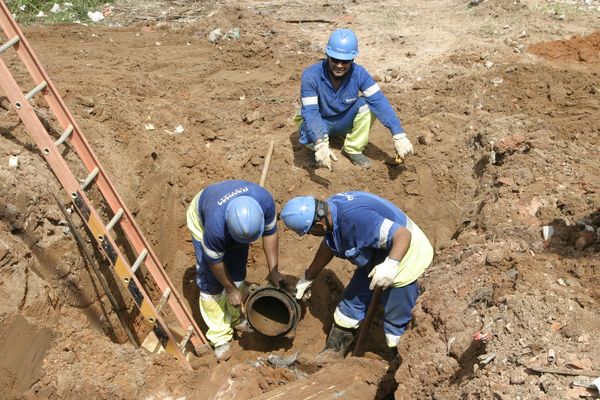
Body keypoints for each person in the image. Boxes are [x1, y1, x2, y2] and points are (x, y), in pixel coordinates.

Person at [280, 192, 433, 358]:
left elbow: (402, 235)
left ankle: (399, 364)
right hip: (376, 255)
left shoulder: (357, 218)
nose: (311, 235)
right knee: (349, 308)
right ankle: (332, 355)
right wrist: (308, 277)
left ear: (319, 226)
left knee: (396, 326)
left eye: (310, 232)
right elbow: (329, 244)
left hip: (405, 256)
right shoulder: (330, 212)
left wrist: (391, 264)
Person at [186, 180, 284, 361]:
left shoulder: (264, 201)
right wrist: (229, 289)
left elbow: (270, 233)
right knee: (212, 286)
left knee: (237, 273)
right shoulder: (214, 229)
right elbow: (214, 261)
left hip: (234, 224)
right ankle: (219, 335)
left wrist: (274, 270)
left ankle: (235, 318)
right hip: (202, 217)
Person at [294, 28, 414, 170]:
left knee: (368, 104)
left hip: (343, 121)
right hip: (318, 120)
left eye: (345, 61)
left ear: (353, 59)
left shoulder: (360, 74)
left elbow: (379, 101)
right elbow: (311, 112)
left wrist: (398, 135)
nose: (339, 65)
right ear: (327, 55)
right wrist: (319, 143)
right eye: (335, 60)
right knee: (307, 124)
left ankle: (353, 148)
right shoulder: (311, 76)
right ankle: (317, 148)